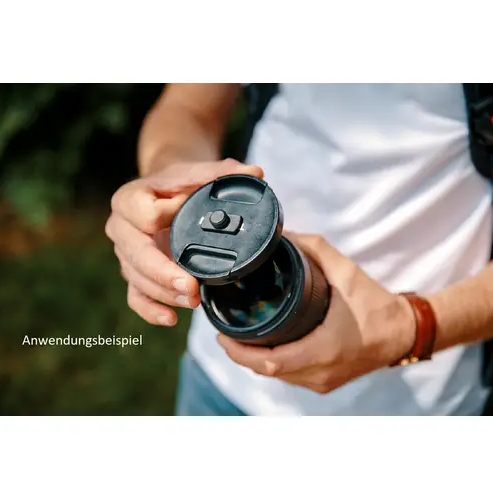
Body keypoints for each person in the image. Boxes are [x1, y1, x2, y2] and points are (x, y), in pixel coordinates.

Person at [105, 83, 493, 416]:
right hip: (219, 382)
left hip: (414, 404)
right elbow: (189, 107)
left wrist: (414, 326)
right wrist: (173, 192)